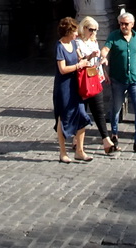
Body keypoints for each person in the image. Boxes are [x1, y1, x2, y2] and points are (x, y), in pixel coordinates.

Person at [101, 11, 136, 155]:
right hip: (118, 79)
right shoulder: (114, 36)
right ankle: (114, 134)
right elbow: (105, 49)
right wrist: (103, 58)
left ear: (132, 25)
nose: (123, 26)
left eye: (126, 24)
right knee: (116, 108)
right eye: (121, 23)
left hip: (134, 79)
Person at [53, 16, 92, 164]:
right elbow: (62, 69)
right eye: (75, 31)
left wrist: (89, 57)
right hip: (64, 87)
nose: (77, 34)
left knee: (82, 115)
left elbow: (80, 58)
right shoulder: (60, 46)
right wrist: (78, 66)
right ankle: (63, 152)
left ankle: (80, 151)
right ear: (68, 31)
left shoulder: (74, 44)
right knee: (63, 118)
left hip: (76, 85)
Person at [75, 16, 117, 155]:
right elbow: (79, 61)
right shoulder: (77, 43)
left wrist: (103, 67)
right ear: (84, 28)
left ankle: (106, 140)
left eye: (96, 30)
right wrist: (90, 56)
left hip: (95, 79)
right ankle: (77, 141)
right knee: (82, 112)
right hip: (82, 81)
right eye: (91, 30)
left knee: (99, 111)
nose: (93, 33)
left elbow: (97, 59)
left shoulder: (94, 42)